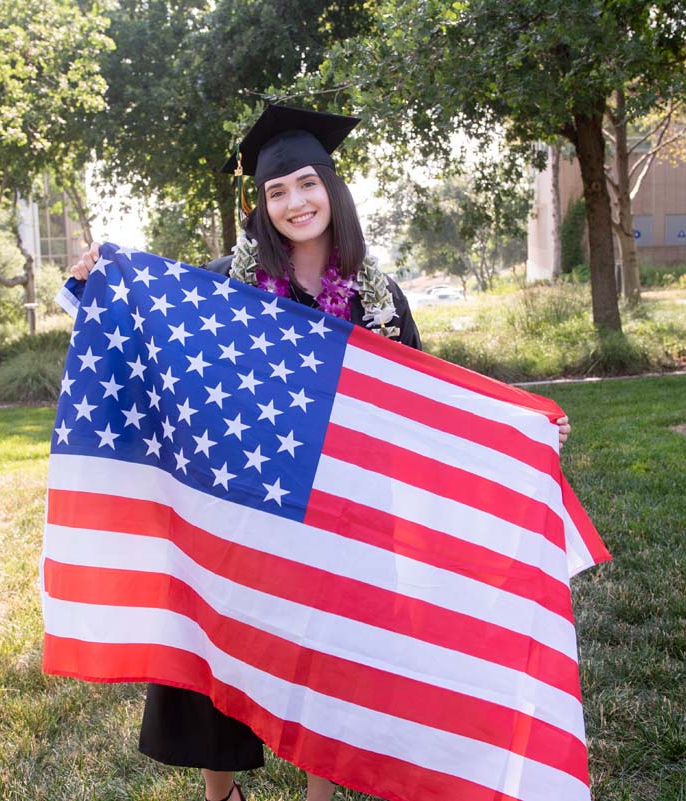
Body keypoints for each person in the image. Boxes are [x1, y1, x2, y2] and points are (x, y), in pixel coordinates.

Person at [69, 104, 571, 801]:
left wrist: (517, 432)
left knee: (335, 656)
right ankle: (223, 795)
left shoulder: (379, 299)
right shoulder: (226, 286)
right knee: (220, 640)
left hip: (343, 510)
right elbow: (159, 337)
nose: (294, 202)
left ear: (332, 188)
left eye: (306, 184)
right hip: (243, 503)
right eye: (276, 191)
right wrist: (99, 281)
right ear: (261, 204)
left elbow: (422, 401)